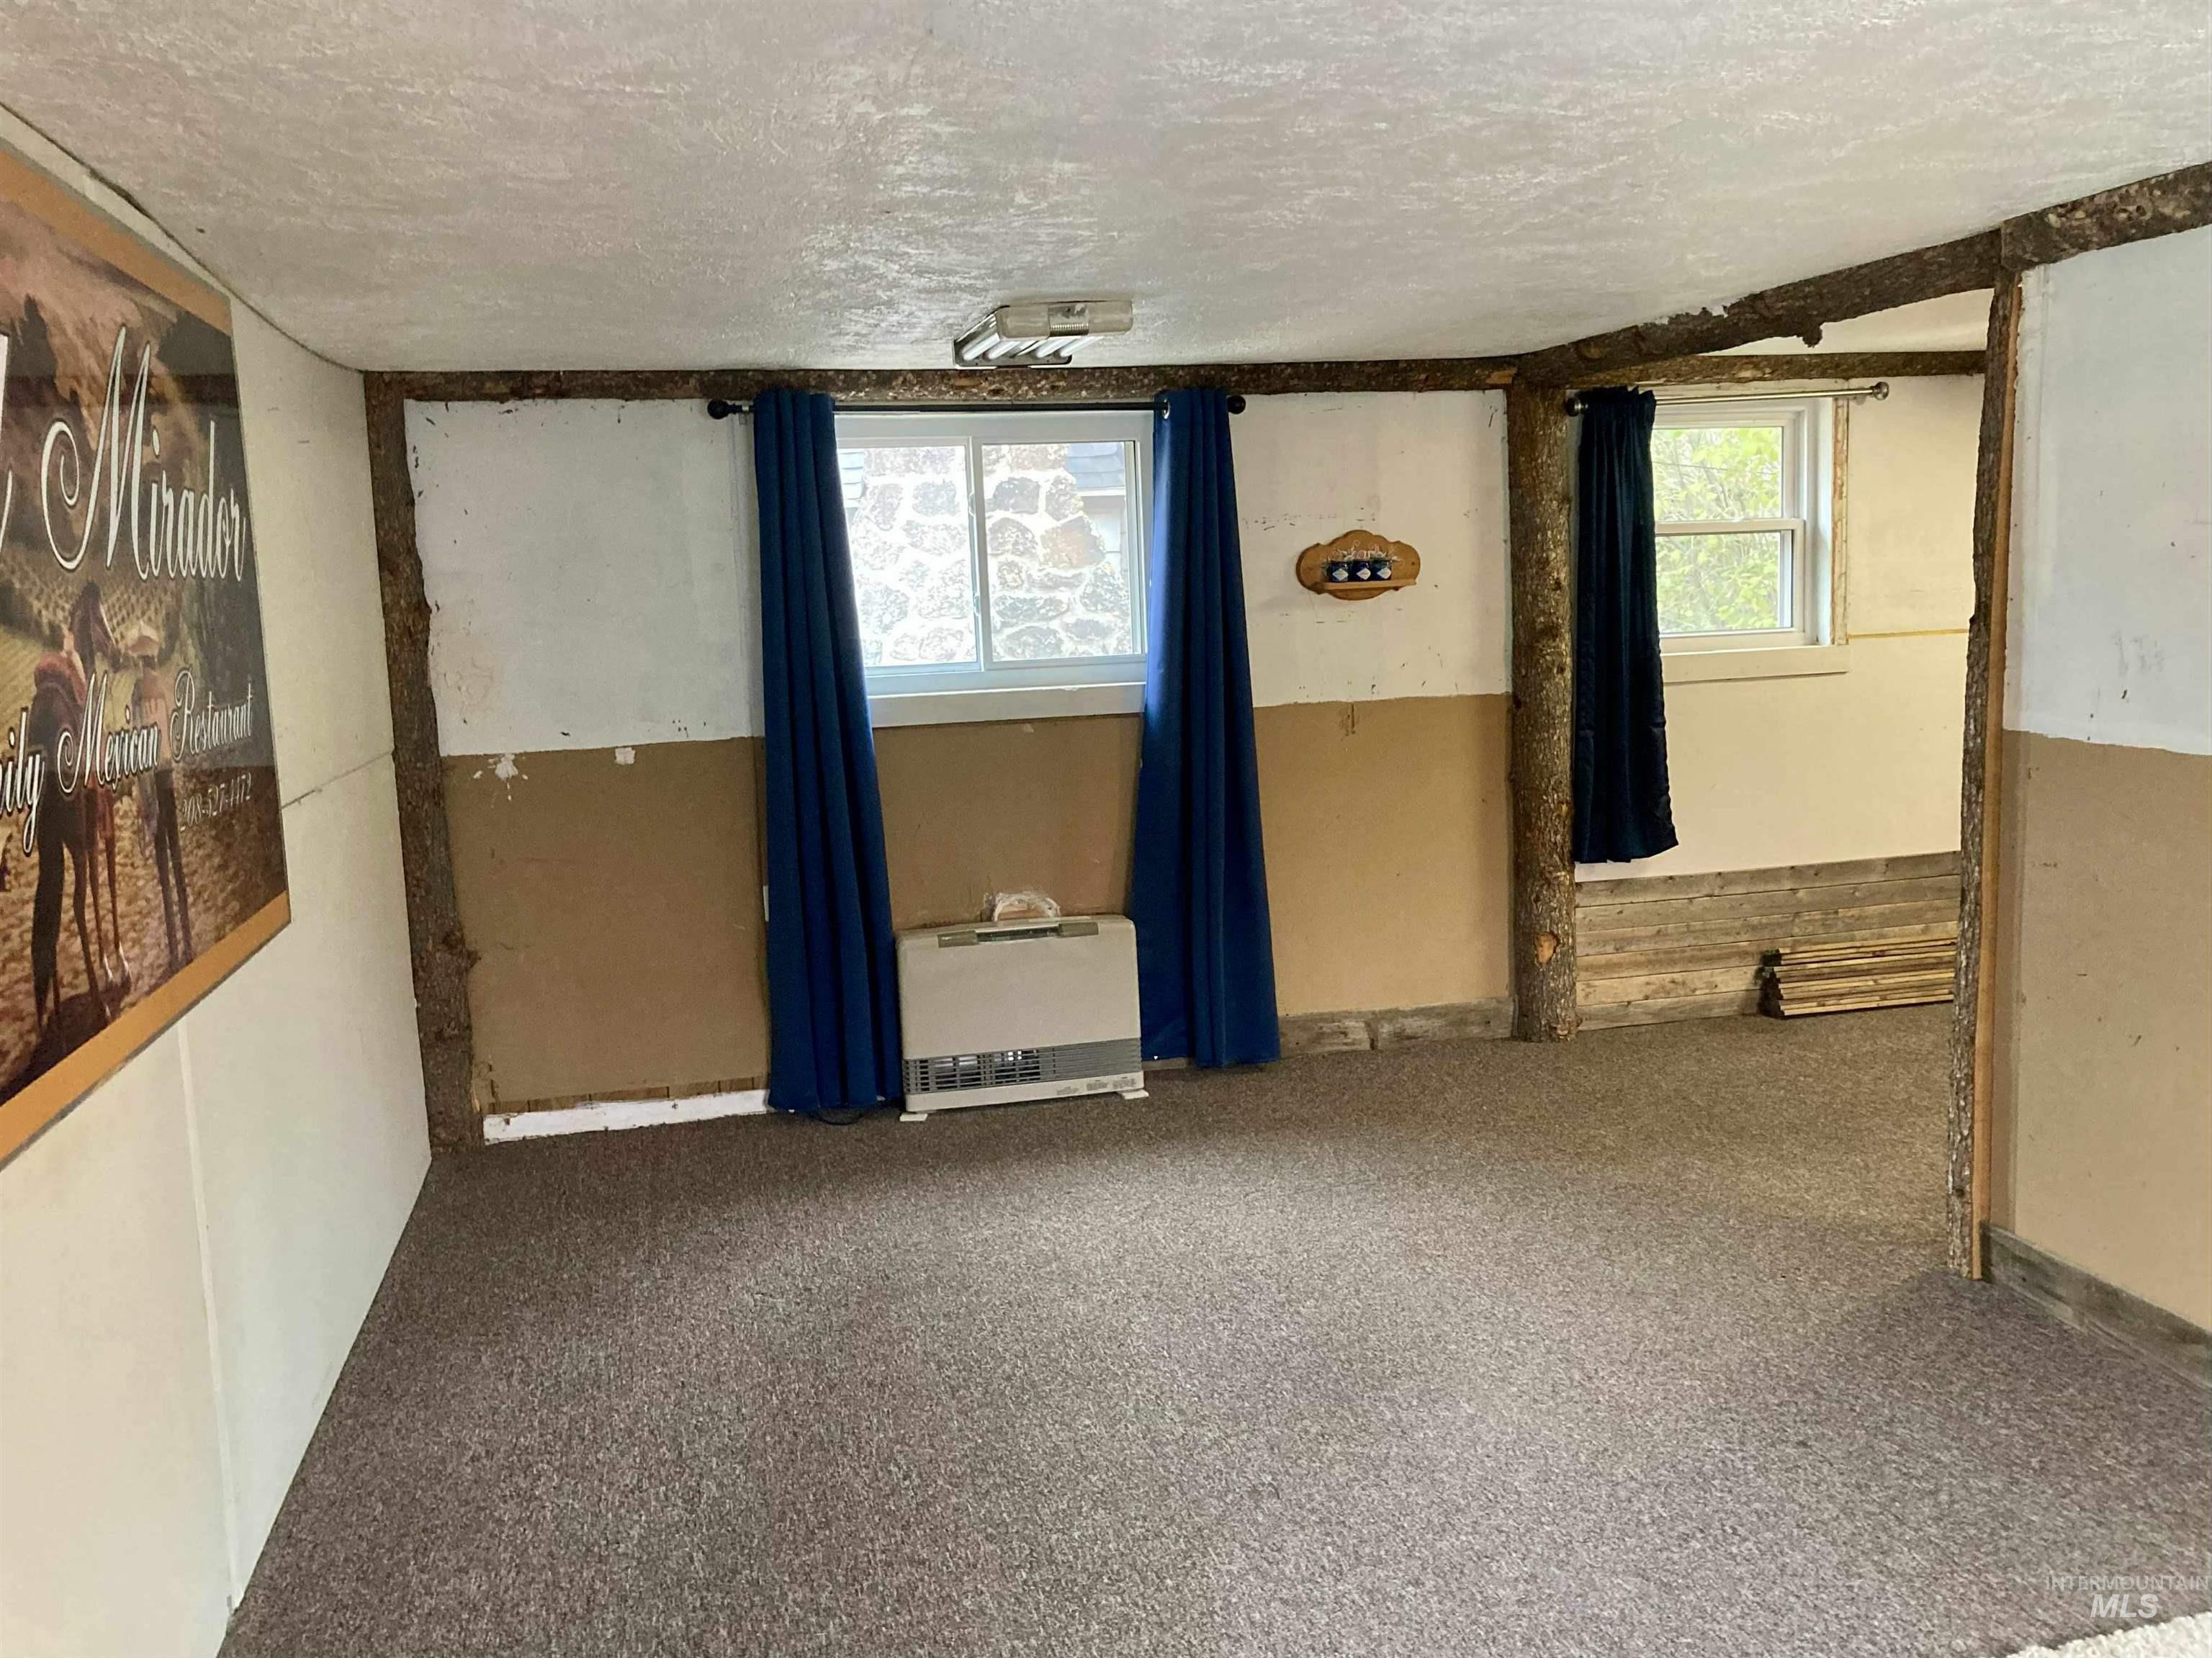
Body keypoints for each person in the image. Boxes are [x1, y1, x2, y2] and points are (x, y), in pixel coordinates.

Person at [127, 628, 193, 974]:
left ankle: (172, 946)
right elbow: (175, 735)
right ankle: (188, 937)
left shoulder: (138, 693)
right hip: (168, 777)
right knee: (178, 858)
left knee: (163, 863)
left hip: (153, 781)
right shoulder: (165, 688)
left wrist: (141, 796)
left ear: (140, 660)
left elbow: (139, 747)